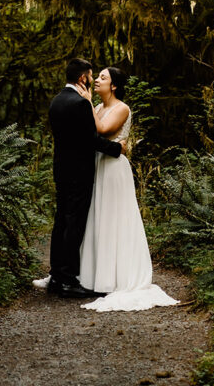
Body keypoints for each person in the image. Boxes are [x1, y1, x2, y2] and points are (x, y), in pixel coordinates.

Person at [76, 66, 178, 312]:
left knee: (115, 217)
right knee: (99, 217)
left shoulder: (121, 108)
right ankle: (98, 276)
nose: (97, 80)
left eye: (103, 77)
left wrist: (87, 102)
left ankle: (118, 276)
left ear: (113, 86)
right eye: (97, 76)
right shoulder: (99, 108)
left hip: (114, 168)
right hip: (99, 165)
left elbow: (101, 130)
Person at [32, 57, 123, 299]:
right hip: (79, 173)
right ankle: (69, 279)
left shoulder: (57, 101)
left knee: (61, 220)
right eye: (92, 76)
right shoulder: (80, 104)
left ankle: (56, 277)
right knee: (75, 224)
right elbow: (89, 140)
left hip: (61, 170)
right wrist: (118, 148)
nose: (93, 81)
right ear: (82, 78)